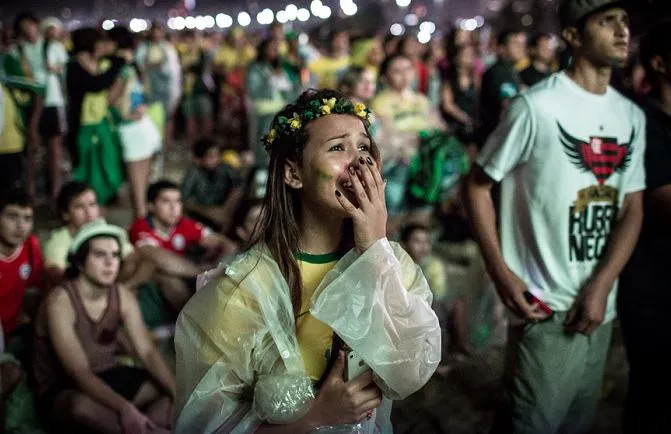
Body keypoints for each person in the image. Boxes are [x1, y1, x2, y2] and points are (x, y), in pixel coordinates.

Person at [174, 89, 440, 432]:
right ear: (293, 174)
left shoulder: (392, 263)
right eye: (337, 147)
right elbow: (204, 425)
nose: (359, 161)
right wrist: (315, 417)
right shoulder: (244, 289)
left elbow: (410, 371)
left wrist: (375, 246)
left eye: (364, 147)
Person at [464, 1, 645, 432]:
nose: (622, 30)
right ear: (574, 36)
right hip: (544, 310)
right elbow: (475, 186)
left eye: (624, 20)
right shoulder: (536, 108)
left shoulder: (629, 114)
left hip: (598, 308)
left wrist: (602, 286)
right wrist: (502, 272)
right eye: (606, 21)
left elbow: (631, 208)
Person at [33, 220, 175, 433]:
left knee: (166, 389)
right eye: (100, 255)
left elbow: (146, 351)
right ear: (80, 262)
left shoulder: (121, 295)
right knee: (80, 407)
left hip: (109, 375)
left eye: (115, 255)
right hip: (64, 387)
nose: (110, 263)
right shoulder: (60, 301)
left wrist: (178, 394)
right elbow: (78, 372)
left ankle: (146, 427)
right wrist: (125, 408)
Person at [618, 20, 671, 434]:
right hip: (653, 283)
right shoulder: (643, 121)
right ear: (660, 63)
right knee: (652, 394)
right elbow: (659, 199)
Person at [129, 180, 233, 311]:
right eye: (166, 201)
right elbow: (158, 258)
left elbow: (226, 244)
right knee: (168, 278)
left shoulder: (184, 223)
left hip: (187, 276)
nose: (174, 208)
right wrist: (203, 271)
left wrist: (217, 260)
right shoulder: (141, 226)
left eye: (178, 201)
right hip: (150, 283)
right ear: (151, 206)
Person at [43, 181, 154, 291]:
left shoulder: (105, 229)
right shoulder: (58, 242)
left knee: (147, 260)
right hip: (79, 295)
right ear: (65, 214)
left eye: (92, 204)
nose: (88, 212)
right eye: (79, 207)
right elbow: (58, 277)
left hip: (113, 286)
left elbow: (132, 257)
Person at [66, 28, 125, 205]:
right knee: (87, 169)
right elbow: (96, 84)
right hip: (84, 127)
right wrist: (118, 64)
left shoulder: (100, 62)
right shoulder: (75, 66)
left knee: (106, 165)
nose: (103, 46)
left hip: (100, 123)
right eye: (99, 42)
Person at [108, 26, 162, 218]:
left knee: (138, 190)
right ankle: (144, 224)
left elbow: (110, 100)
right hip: (143, 126)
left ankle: (140, 227)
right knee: (142, 186)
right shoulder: (133, 66)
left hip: (133, 129)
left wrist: (122, 116)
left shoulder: (120, 68)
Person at [400, 224, 471, 364]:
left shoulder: (433, 266)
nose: (423, 247)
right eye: (417, 241)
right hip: (408, 310)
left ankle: (449, 351)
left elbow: (439, 295)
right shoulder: (400, 266)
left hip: (432, 308)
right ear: (403, 245)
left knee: (450, 307)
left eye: (426, 242)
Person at [0, 189, 43, 357]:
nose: (20, 226)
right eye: (12, 217)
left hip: (13, 334)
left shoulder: (31, 246)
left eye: (27, 218)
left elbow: (35, 290)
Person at [246, 38, 301, 165]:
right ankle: (262, 171)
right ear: (263, 50)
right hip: (264, 112)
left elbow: (292, 88)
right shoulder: (256, 68)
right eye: (272, 48)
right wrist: (270, 80)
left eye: (277, 48)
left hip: (282, 111)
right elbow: (253, 90)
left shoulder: (282, 67)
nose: (275, 51)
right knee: (264, 146)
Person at [181, 137, 245, 233]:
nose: (216, 160)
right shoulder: (194, 173)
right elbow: (184, 199)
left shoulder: (225, 168)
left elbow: (239, 188)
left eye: (217, 155)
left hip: (225, 213)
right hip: (202, 215)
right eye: (211, 156)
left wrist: (225, 210)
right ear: (199, 159)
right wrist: (209, 212)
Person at [477, 29, 526, 147]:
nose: (520, 47)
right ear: (501, 48)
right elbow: (507, 106)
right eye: (515, 44)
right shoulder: (501, 73)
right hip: (500, 139)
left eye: (521, 44)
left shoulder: (509, 71)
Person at [39, 17, 69, 204]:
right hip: (39, 101)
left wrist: (54, 68)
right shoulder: (37, 48)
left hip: (54, 101)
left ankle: (56, 190)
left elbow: (63, 70)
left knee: (55, 148)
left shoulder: (58, 49)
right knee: (42, 148)